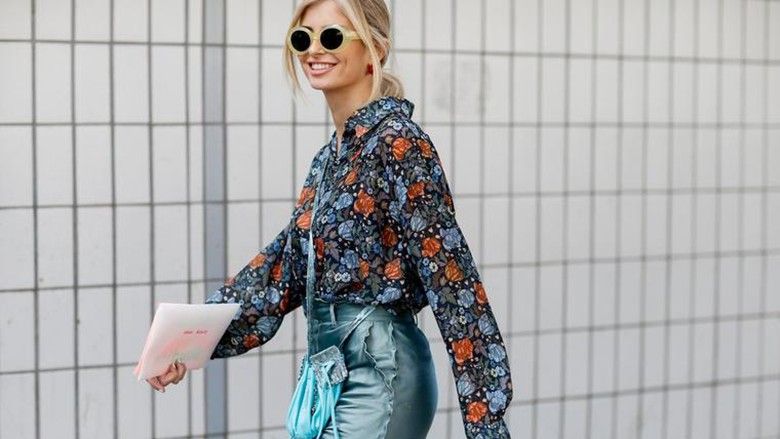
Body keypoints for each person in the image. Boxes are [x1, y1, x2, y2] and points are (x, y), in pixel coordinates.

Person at [147, 0, 513, 437]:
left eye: (332, 36)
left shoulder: (400, 144)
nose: (314, 50)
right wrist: (186, 343)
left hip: (383, 374)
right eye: (302, 38)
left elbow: (452, 279)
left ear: (375, 48)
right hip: (331, 376)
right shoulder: (329, 159)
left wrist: (485, 419)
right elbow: (282, 270)